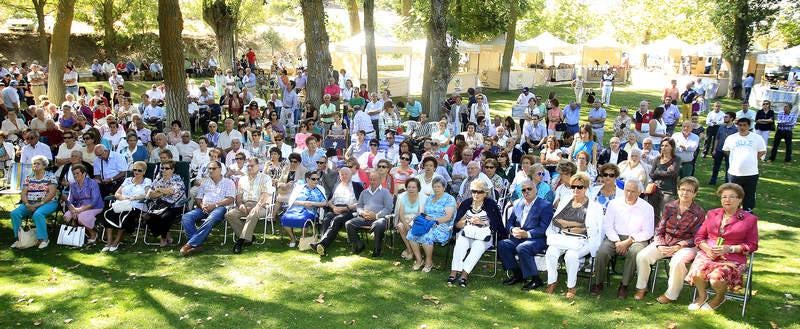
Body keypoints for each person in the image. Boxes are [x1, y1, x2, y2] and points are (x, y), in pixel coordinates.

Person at [687, 183, 758, 311]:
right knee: (697, 271)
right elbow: (699, 237)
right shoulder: (712, 213)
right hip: (708, 253)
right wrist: (707, 249)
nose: (727, 200)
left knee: (716, 277)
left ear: (740, 199)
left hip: (732, 257)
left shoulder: (749, 219)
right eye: (724, 197)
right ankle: (703, 295)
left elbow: (752, 245)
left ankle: (719, 297)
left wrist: (730, 248)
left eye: (732, 197)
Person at [634, 177, 705, 302]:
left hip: (687, 246)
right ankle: (642, 287)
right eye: (682, 189)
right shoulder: (669, 206)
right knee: (642, 256)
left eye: (689, 190)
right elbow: (659, 228)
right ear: (678, 191)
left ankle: (671, 295)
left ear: (695, 193)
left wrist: (678, 246)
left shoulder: (699, 212)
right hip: (665, 241)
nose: (685, 193)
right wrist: (660, 244)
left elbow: (697, 237)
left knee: (677, 262)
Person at [544, 173, 604, 299]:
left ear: (586, 188)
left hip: (583, 240)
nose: (576, 190)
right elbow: (556, 221)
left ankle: (571, 286)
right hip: (563, 238)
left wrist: (570, 225)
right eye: (573, 186)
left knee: (571, 256)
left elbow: (598, 229)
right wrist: (572, 226)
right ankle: (552, 282)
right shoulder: (565, 200)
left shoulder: (595, 207)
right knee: (551, 253)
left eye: (580, 187)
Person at [592, 179, 654, 298]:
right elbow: (608, 225)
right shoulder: (614, 204)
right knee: (602, 252)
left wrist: (629, 241)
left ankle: (624, 285)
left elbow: (648, 232)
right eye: (627, 191)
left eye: (633, 191)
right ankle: (598, 283)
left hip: (637, 239)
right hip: (615, 237)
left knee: (634, 253)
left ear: (640, 192)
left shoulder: (647, 208)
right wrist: (617, 242)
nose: (629, 194)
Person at [448, 180, 504, 287]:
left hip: (484, 237)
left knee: (477, 247)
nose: (476, 194)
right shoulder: (466, 204)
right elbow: (457, 225)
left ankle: (464, 274)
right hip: (467, 233)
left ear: (485, 193)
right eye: (474, 191)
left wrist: (482, 222)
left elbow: (496, 225)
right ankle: (453, 272)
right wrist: (468, 221)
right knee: (460, 243)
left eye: (480, 192)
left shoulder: (491, 204)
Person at [500, 180, 553, 290]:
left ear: (536, 190)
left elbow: (543, 228)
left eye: (529, 189)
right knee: (503, 244)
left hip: (537, 239)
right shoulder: (518, 203)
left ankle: (535, 279)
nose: (526, 192)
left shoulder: (545, 205)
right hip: (518, 236)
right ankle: (517, 274)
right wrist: (512, 229)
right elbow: (510, 222)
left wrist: (527, 234)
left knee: (523, 248)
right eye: (523, 190)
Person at [180, 160, 235, 256]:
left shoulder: (228, 182)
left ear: (220, 169)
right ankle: (196, 244)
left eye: (214, 168)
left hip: (220, 208)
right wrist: (202, 206)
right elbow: (198, 198)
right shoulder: (205, 182)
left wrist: (214, 206)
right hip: (204, 208)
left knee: (211, 218)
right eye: (209, 168)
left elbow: (230, 199)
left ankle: (190, 244)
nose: (211, 170)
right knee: (186, 217)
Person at [311, 168, 364, 256]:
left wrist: (346, 208)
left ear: (351, 175)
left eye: (346, 174)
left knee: (337, 220)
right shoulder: (337, 185)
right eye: (341, 174)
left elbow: (361, 203)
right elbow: (329, 201)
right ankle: (322, 245)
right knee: (327, 217)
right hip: (335, 208)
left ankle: (322, 244)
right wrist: (333, 207)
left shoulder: (357, 186)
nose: (343, 176)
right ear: (339, 176)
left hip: (349, 210)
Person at [405, 176, 455, 270]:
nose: (436, 189)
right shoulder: (430, 197)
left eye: (439, 187)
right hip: (427, 223)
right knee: (411, 234)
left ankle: (429, 262)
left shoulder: (449, 199)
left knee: (426, 236)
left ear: (444, 188)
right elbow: (424, 213)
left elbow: (448, 217)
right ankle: (419, 260)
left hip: (441, 226)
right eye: (434, 186)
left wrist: (433, 220)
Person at [101, 161, 152, 252]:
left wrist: (134, 198)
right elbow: (117, 193)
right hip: (122, 203)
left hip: (137, 206)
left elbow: (147, 194)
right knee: (109, 213)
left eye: (139, 170)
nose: (136, 172)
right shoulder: (128, 179)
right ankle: (109, 242)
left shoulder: (147, 181)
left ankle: (116, 241)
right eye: (134, 170)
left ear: (144, 172)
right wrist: (122, 197)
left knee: (125, 216)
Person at [10, 156, 58, 249]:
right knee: (14, 213)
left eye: (38, 163)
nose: (35, 165)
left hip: (48, 203)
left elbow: (52, 193)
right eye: (34, 163)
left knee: (38, 214)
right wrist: (27, 204)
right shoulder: (29, 177)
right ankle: (18, 238)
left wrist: (39, 204)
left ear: (44, 165)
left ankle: (44, 239)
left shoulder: (50, 176)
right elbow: (23, 193)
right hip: (30, 203)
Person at [226, 158, 273, 253]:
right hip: (245, 204)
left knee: (253, 213)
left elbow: (265, 195)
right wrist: (240, 205)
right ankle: (249, 237)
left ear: (258, 166)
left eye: (252, 165)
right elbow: (238, 196)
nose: (249, 167)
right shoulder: (242, 179)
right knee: (229, 215)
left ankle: (240, 241)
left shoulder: (265, 178)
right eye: (248, 166)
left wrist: (257, 206)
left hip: (261, 206)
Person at [722, 118, 766, 212]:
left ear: (749, 126)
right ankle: (733, 212)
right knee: (733, 194)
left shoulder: (757, 138)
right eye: (740, 125)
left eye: (744, 125)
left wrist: (753, 159)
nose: (742, 127)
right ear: (737, 125)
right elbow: (726, 150)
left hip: (751, 172)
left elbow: (762, 151)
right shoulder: (731, 138)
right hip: (734, 172)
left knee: (749, 194)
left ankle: (748, 212)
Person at [143, 159, 186, 247]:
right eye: (162, 168)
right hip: (161, 205)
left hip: (175, 205)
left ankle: (163, 238)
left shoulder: (177, 179)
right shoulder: (159, 179)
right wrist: (162, 192)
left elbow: (171, 191)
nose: (164, 170)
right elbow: (150, 193)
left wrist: (159, 190)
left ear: (172, 170)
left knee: (163, 217)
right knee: (146, 216)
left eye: (167, 168)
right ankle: (167, 236)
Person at [280, 171, 327, 247]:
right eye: (313, 179)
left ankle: (303, 238)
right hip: (295, 209)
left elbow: (325, 203)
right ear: (307, 179)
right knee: (285, 218)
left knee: (303, 219)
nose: (316, 181)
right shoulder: (300, 188)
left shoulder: (319, 190)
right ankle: (292, 238)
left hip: (310, 210)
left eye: (318, 179)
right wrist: (303, 203)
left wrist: (312, 204)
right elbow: (292, 200)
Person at [64, 163, 105, 244]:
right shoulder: (73, 185)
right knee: (67, 217)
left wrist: (79, 210)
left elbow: (94, 201)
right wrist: (72, 210)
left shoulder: (92, 183)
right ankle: (77, 234)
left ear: (84, 173)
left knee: (82, 217)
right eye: (74, 174)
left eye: (77, 173)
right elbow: (69, 200)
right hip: (77, 208)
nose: (75, 175)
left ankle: (93, 233)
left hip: (95, 207)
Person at [709, 112, 737, 185]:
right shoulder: (721, 127)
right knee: (716, 166)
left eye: (726, 117)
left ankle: (727, 182)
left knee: (728, 167)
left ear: (731, 118)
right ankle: (713, 180)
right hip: (719, 150)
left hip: (729, 151)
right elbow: (717, 139)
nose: (724, 118)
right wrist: (714, 149)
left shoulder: (735, 129)